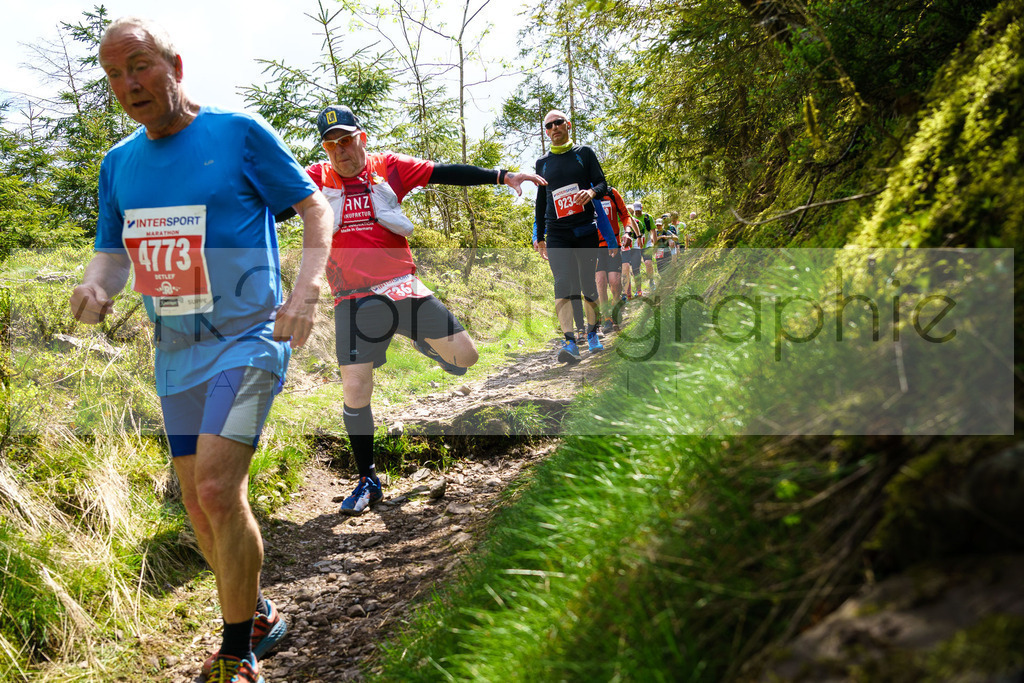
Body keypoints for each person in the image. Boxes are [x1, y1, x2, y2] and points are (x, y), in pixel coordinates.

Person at [68, 17, 332, 683]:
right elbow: (111, 253)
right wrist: (96, 288)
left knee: (217, 484)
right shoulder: (118, 165)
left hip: (249, 340)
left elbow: (314, 208)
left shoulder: (237, 133)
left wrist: (306, 287)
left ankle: (236, 651)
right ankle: (259, 611)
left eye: (139, 66)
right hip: (175, 350)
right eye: (114, 75)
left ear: (174, 65)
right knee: (196, 501)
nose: (128, 85)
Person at [302, 104, 545, 515]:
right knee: (356, 390)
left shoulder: (389, 167)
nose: (340, 151)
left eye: (345, 140)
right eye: (331, 145)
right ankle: (367, 479)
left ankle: (420, 339)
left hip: (402, 286)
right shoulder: (314, 179)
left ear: (360, 138)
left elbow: (445, 173)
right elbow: (273, 206)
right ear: (325, 150)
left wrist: (503, 176)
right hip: (353, 299)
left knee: (465, 358)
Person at [533, 110, 618, 364]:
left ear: (568, 125)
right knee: (562, 283)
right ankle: (569, 341)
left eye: (558, 123)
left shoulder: (584, 154)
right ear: (546, 132)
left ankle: (592, 334)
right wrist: (539, 235)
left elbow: (602, 184)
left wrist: (591, 193)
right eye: (549, 126)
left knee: (587, 285)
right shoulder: (542, 163)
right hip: (557, 232)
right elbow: (539, 201)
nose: (554, 128)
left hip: (584, 230)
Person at [594, 186, 633, 333]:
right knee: (600, 281)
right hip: (595, 246)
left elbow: (625, 215)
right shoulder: (585, 194)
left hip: (613, 245)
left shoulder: (611, 193)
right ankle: (606, 318)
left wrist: (627, 232)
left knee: (615, 282)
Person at [630, 201, 657, 293]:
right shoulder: (631, 218)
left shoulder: (648, 217)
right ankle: (639, 289)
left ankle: (651, 281)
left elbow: (653, 231)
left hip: (647, 245)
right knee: (635, 268)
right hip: (635, 246)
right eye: (635, 210)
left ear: (641, 208)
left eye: (638, 210)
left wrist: (655, 243)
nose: (637, 212)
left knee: (648, 263)